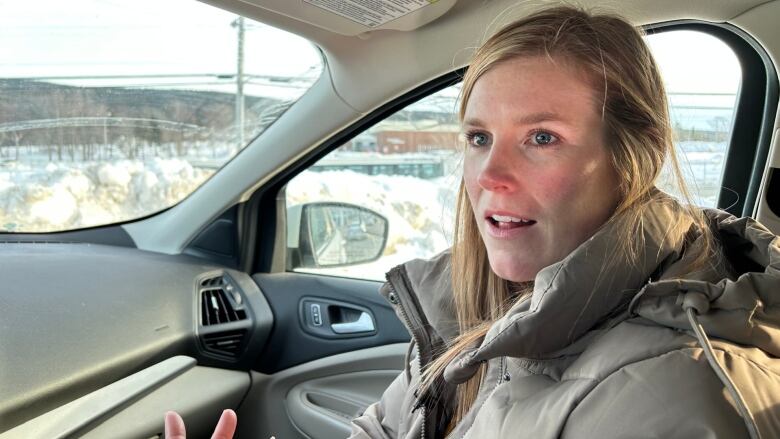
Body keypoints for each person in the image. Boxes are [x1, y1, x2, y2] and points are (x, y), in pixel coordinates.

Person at [166, 5, 780, 439]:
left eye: (542, 137)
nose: (489, 174)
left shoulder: (667, 392)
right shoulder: (479, 308)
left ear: (630, 160)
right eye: (479, 137)